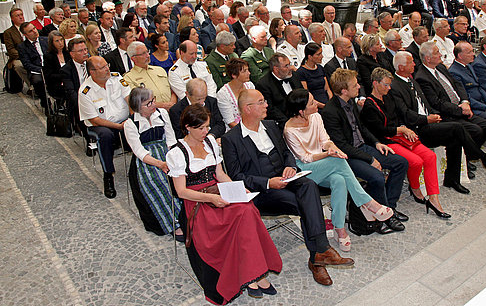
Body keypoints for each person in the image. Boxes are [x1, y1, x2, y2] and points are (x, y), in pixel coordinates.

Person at [221, 89, 354, 286]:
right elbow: (236, 176)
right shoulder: (231, 139)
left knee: (308, 185)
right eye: (261, 101)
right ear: (248, 109)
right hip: (264, 191)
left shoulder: (271, 126)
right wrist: (268, 182)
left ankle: (320, 252)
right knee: (303, 203)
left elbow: (287, 154)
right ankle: (318, 258)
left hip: (287, 178)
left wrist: (290, 167)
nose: (267, 105)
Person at [166, 104, 282, 303]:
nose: (206, 132)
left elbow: (220, 174)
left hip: (218, 192)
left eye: (207, 127)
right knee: (241, 215)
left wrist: (238, 189)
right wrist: (211, 198)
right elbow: (181, 191)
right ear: (188, 127)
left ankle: (255, 273)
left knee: (247, 209)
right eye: (201, 128)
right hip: (197, 203)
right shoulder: (176, 153)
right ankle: (254, 275)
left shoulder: (210, 142)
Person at [284, 89, 394, 251]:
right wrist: (330, 154)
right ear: (301, 111)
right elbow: (305, 158)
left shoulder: (316, 117)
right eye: (312, 103)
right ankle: (367, 202)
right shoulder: (289, 130)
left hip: (326, 163)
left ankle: (339, 229)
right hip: (306, 170)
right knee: (337, 162)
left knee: (340, 180)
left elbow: (325, 141)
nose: (317, 105)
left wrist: (334, 149)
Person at [389, 51, 486, 193]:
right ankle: (484, 158)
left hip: (430, 120)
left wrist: (434, 116)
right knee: (457, 128)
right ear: (401, 67)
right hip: (417, 128)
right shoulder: (395, 86)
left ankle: (452, 179)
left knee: (455, 138)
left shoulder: (411, 80)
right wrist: (427, 119)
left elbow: (426, 104)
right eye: (410, 62)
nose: (414, 63)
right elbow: (406, 114)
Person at [321, 69, 408, 231]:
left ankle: (389, 207)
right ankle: (383, 217)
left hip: (363, 147)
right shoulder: (330, 112)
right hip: (348, 156)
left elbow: (361, 128)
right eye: (355, 85)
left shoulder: (350, 102)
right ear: (344, 90)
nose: (359, 87)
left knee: (401, 163)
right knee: (376, 177)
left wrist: (376, 143)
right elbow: (341, 145)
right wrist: (370, 159)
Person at [361, 68, 449, 218]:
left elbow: (402, 115)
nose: (389, 88)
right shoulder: (369, 105)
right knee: (415, 162)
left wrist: (405, 129)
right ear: (375, 84)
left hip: (401, 136)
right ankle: (415, 188)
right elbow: (379, 131)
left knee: (430, 157)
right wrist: (400, 130)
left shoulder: (389, 98)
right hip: (387, 141)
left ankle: (434, 199)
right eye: (386, 85)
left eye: (389, 85)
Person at [124, 87, 183, 238]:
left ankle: (186, 217)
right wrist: (160, 164)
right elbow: (139, 152)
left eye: (153, 100)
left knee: (180, 177)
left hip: (165, 152)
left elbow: (170, 139)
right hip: (148, 161)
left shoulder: (162, 114)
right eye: (148, 103)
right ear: (138, 107)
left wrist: (172, 158)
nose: (153, 104)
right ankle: (173, 223)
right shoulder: (130, 124)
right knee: (159, 183)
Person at [79, 56, 131, 197]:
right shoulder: (85, 91)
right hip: (100, 126)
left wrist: (132, 119)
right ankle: (108, 175)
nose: (107, 68)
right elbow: (95, 120)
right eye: (102, 68)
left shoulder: (116, 78)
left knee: (139, 125)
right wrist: (118, 126)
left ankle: (137, 168)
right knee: (105, 136)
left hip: (123, 121)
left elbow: (129, 99)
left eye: (106, 65)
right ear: (92, 72)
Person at [125, 42, 177, 110]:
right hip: (152, 113)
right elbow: (138, 102)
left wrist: (172, 104)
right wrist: (163, 106)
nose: (147, 55)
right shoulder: (129, 78)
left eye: (147, 52)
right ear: (133, 58)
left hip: (172, 109)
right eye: (143, 54)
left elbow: (172, 91)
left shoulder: (159, 70)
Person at [216, 58, 254, 130]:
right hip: (236, 130)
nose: (249, 73)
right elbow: (230, 122)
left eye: (248, 70)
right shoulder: (223, 94)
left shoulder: (250, 86)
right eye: (244, 71)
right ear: (234, 75)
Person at [18, 22, 49, 110]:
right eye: (30, 31)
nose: (35, 31)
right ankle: (45, 101)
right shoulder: (22, 47)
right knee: (38, 80)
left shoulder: (45, 40)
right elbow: (27, 64)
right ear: (25, 35)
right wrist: (41, 69)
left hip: (49, 67)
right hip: (36, 70)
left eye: (34, 28)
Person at [296, 43, 332, 108]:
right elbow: (307, 95)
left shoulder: (320, 68)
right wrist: (323, 106)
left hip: (327, 103)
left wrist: (331, 102)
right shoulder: (301, 72)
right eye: (318, 54)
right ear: (310, 57)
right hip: (314, 106)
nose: (322, 56)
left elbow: (327, 89)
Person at [42, 30, 70, 99]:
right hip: (57, 83)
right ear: (52, 43)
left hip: (69, 81)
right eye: (57, 41)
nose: (60, 43)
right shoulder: (48, 56)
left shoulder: (68, 53)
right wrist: (63, 76)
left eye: (61, 40)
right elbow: (49, 75)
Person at [5, 8, 29, 86]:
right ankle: (32, 86)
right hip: (18, 57)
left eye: (21, 15)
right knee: (19, 66)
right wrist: (24, 56)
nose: (21, 17)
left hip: (33, 54)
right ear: (12, 18)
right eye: (17, 15)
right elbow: (11, 50)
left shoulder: (29, 28)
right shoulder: (8, 32)